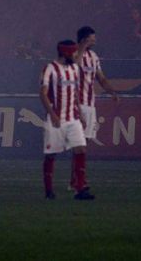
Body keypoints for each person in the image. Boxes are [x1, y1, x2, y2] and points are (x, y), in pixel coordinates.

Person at [40, 40, 94, 201]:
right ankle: (49, 190)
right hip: (56, 118)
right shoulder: (50, 68)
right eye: (74, 52)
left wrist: (81, 114)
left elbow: (76, 93)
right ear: (65, 53)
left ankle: (80, 189)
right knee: (51, 155)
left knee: (81, 150)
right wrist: (52, 114)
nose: (76, 55)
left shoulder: (75, 69)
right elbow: (42, 93)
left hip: (73, 118)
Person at [70, 26, 119, 189]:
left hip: (90, 105)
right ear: (84, 39)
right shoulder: (74, 53)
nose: (95, 40)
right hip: (76, 103)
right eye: (92, 37)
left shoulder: (94, 57)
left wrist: (111, 91)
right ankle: (78, 181)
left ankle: (75, 180)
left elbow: (101, 78)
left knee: (84, 144)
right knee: (80, 144)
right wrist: (82, 49)